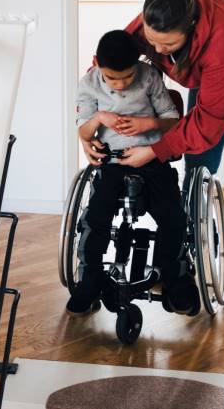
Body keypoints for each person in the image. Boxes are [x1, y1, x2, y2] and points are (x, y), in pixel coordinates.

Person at [83, 0, 224, 311]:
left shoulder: (219, 33)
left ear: (192, 26)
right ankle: (182, 259)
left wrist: (154, 149)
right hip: (209, 76)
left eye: (167, 46)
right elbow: (108, 68)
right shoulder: (154, 21)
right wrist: (92, 127)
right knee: (197, 171)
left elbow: (209, 121)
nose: (157, 51)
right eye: (153, 42)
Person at [70, 30, 201, 317]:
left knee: (173, 217)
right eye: (111, 78)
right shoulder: (89, 84)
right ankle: (90, 279)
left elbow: (172, 121)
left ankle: (174, 279)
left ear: (138, 65)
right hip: (112, 160)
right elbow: (83, 131)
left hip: (151, 158)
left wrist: (146, 124)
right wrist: (100, 118)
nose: (119, 84)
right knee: (96, 217)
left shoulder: (149, 77)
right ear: (97, 66)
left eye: (127, 77)